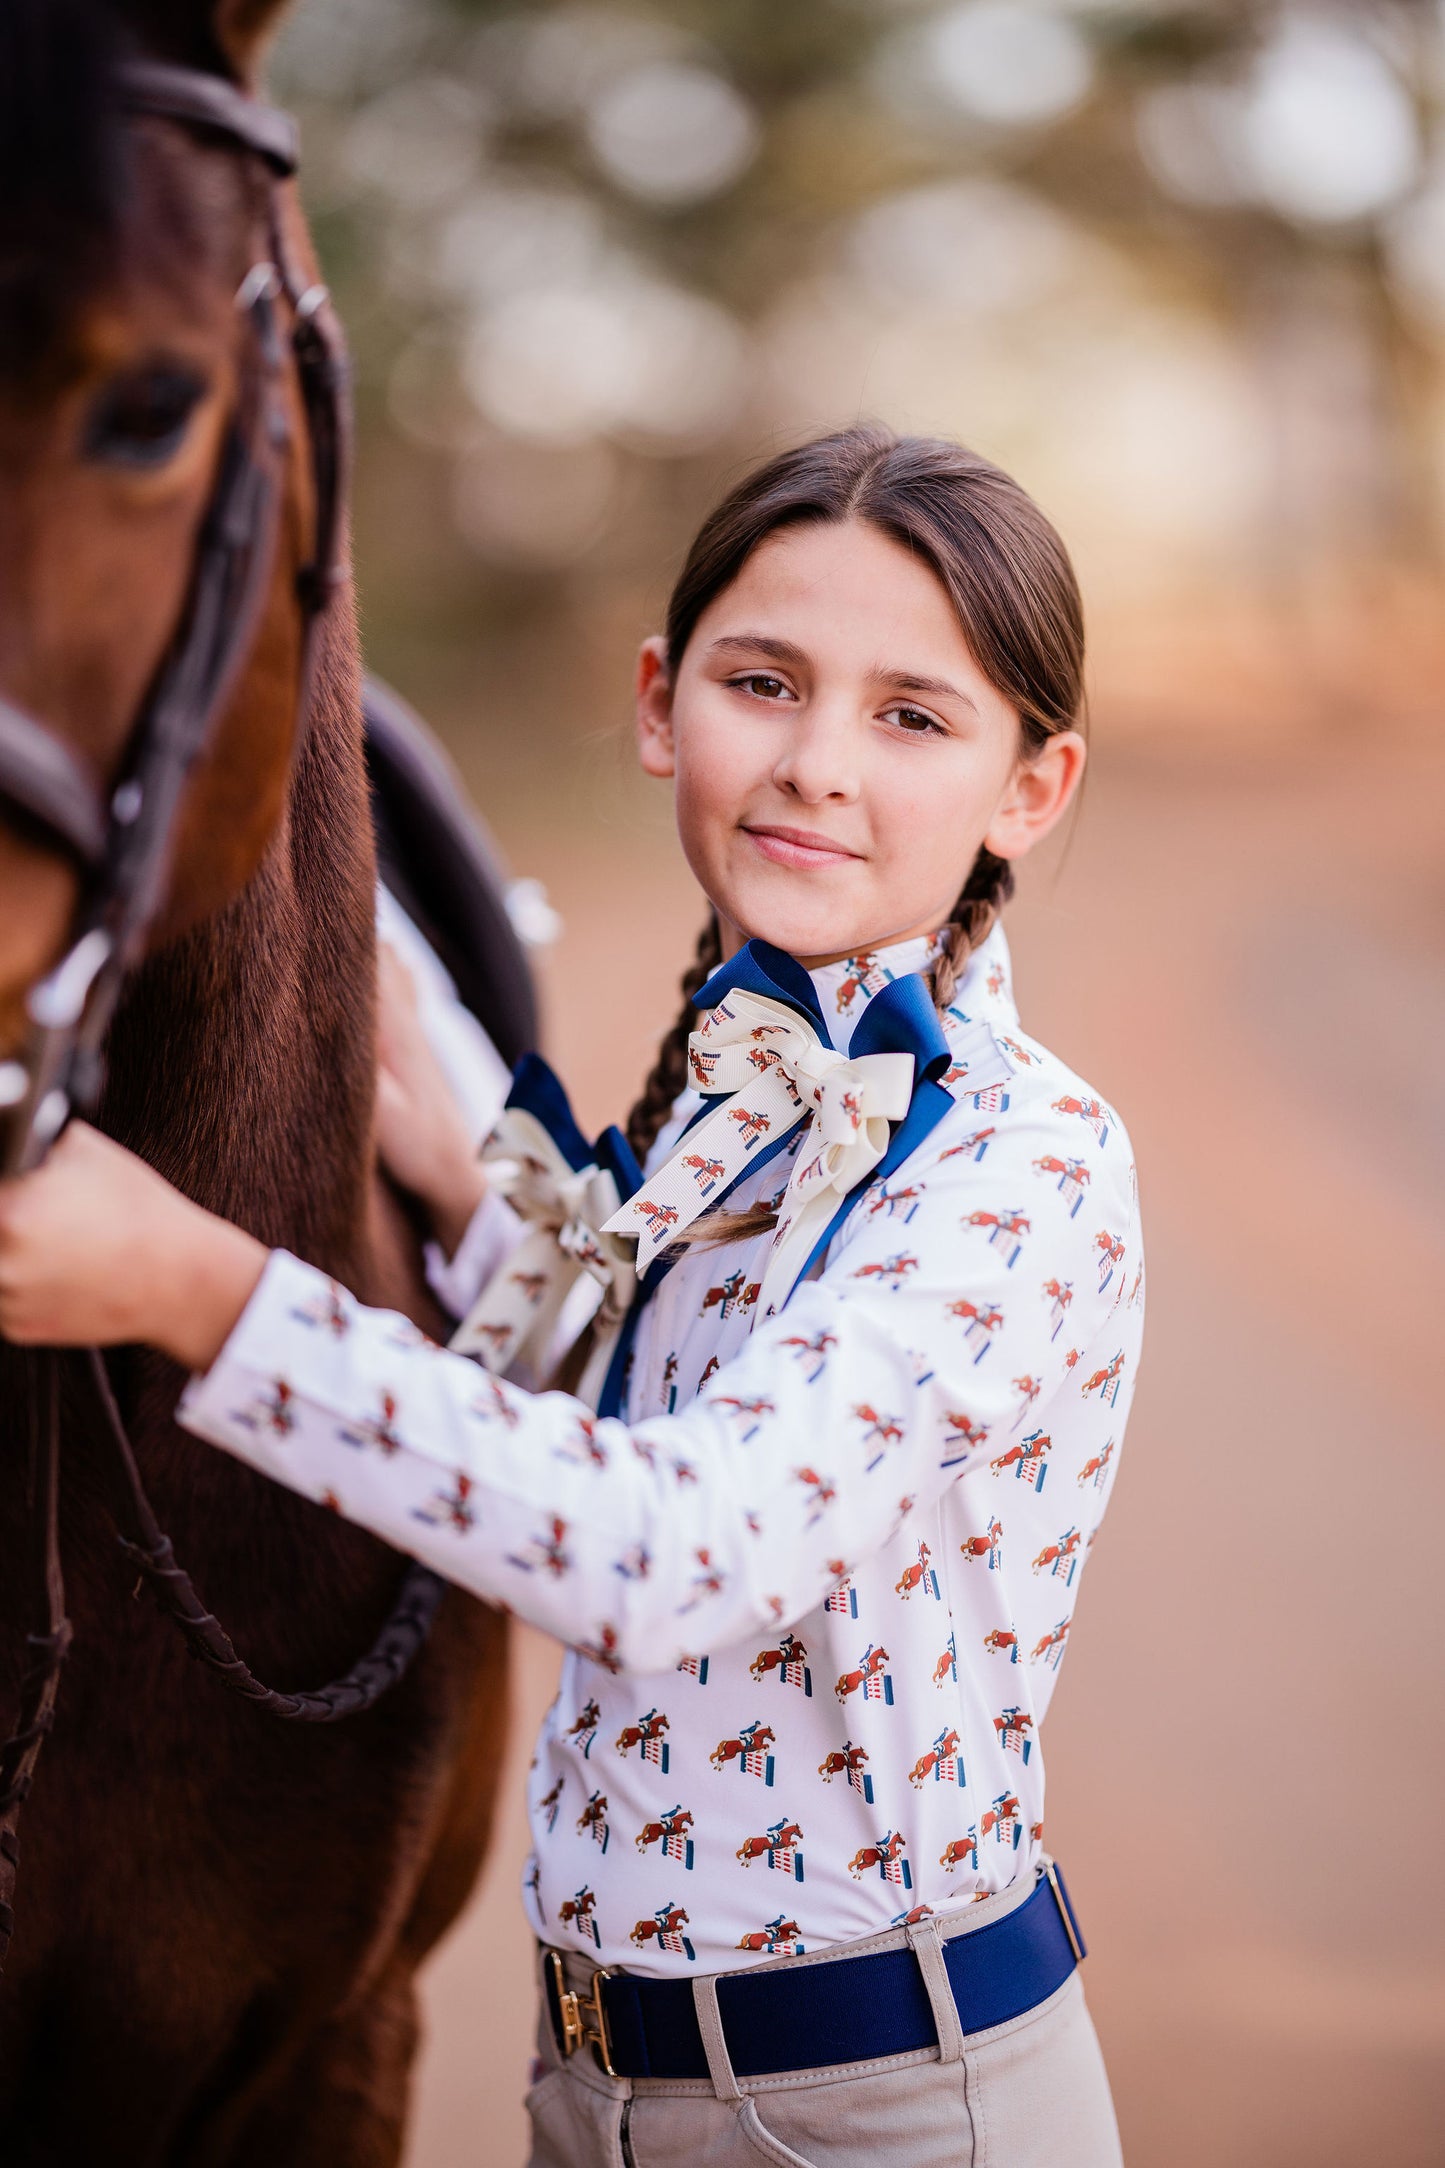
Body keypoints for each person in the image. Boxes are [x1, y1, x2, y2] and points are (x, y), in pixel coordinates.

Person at [0, 426, 1142, 2167]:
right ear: (658, 703)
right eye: (763, 683)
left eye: (910, 715)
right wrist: (470, 1184)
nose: (815, 764)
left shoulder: (1024, 1165)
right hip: (605, 2092)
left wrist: (193, 1282)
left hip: (883, 2121)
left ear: (1029, 789)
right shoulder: (744, 1078)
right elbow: (630, 1398)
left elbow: (670, 1551)